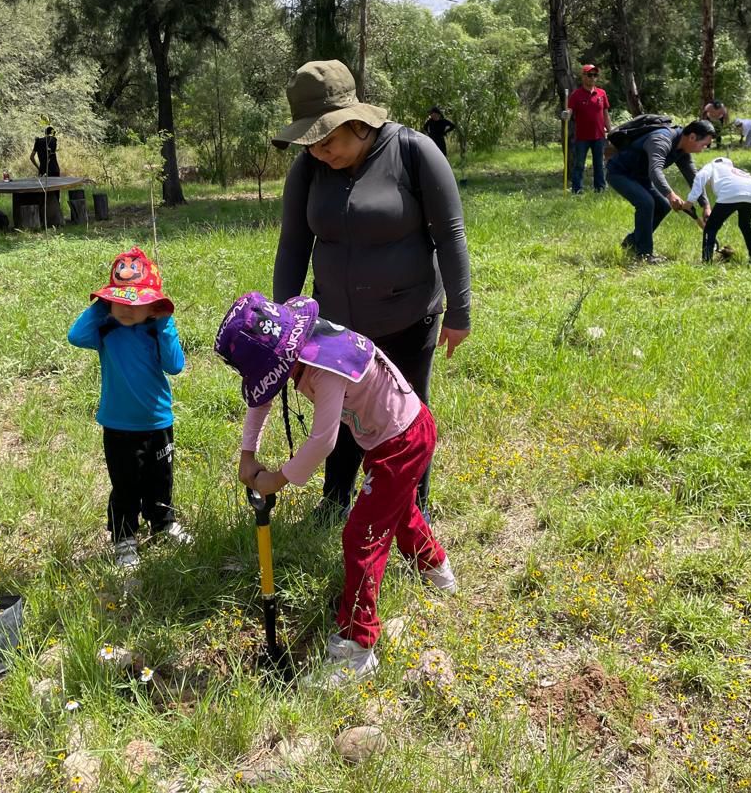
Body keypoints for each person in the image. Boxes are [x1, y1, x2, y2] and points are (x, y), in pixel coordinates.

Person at [215, 292, 456, 686]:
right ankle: (437, 570)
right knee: (397, 511)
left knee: (362, 536)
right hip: (393, 436)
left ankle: (356, 649)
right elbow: (263, 397)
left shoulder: (323, 367)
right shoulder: (295, 342)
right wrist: (247, 452)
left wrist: (277, 478)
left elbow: (323, 441)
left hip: (402, 441)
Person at [271, 60, 472, 519]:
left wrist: (460, 312)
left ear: (357, 122)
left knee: (404, 419)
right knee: (338, 412)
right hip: (336, 324)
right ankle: (334, 500)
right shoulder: (308, 169)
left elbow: (451, 233)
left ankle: (409, 511)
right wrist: (285, 322)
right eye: (312, 144)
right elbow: (293, 243)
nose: (320, 153)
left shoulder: (413, 151)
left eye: (328, 141)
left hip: (408, 318)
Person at [67, 247, 190, 568]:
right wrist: (100, 307)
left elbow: (175, 366)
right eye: (119, 300)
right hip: (118, 426)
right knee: (125, 485)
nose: (126, 309)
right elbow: (74, 336)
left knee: (160, 478)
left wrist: (164, 322)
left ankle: (163, 523)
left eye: (135, 303)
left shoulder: (154, 330)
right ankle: (124, 537)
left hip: (158, 421)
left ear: (153, 306)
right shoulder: (106, 330)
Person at [607, 119, 715, 263]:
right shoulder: (661, 139)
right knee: (646, 203)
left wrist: (705, 205)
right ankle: (644, 255)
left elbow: (693, 177)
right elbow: (655, 170)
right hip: (619, 173)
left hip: (640, 177)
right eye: (704, 144)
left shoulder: (682, 148)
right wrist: (670, 194)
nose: (703, 149)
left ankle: (631, 243)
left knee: (663, 207)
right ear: (692, 137)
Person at [685, 155, 751, 265]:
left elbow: (700, 177)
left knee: (710, 228)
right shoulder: (733, 170)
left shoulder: (712, 166)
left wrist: (689, 202)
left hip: (731, 191)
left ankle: (706, 262)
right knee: (746, 224)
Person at [562, 64, 611, 194]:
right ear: (583, 76)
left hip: (599, 136)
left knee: (599, 164)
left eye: (595, 75)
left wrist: (610, 131)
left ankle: (600, 188)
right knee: (579, 164)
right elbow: (570, 111)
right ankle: (577, 189)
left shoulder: (601, 93)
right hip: (582, 137)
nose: (592, 78)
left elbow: (605, 114)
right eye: (589, 75)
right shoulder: (576, 95)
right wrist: (566, 114)